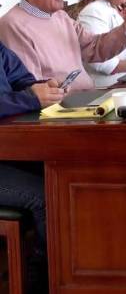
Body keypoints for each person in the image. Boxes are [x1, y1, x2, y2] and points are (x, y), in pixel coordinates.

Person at [0, 29, 63, 293]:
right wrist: (28, 98)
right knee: (46, 195)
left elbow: (22, 79)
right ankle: (46, 279)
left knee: (61, 173)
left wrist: (42, 87)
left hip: (9, 148)